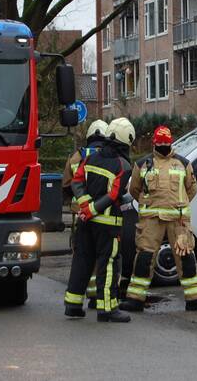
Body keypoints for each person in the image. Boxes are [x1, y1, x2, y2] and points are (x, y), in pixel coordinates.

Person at [119, 125, 197, 313]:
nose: (163, 145)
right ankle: (135, 299)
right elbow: (134, 190)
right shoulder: (143, 164)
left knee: (186, 258)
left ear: (170, 142)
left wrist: (178, 205)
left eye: (166, 142)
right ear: (154, 143)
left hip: (178, 222)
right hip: (151, 221)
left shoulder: (183, 163)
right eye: (160, 142)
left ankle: (195, 298)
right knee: (144, 258)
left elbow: (191, 189)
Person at [63, 117, 134, 323]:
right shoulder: (123, 165)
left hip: (86, 223)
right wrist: (92, 209)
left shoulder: (90, 158)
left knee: (82, 261)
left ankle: (73, 305)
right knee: (109, 263)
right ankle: (107, 309)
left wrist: (85, 207)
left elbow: (76, 182)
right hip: (108, 225)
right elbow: (113, 195)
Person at [62, 119, 109, 309]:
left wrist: (75, 205)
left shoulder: (76, 157)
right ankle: (98, 296)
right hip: (104, 215)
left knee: (82, 256)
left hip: (81, 216)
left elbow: (66, 186)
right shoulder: (108, 157)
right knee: (102, 257)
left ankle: (77, 300)